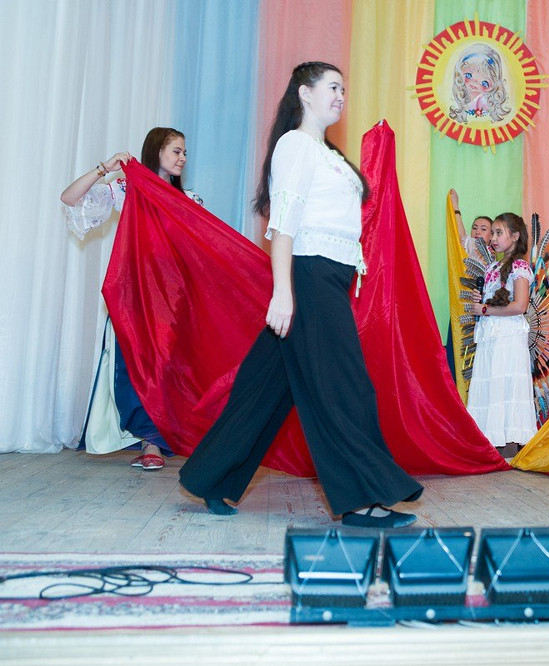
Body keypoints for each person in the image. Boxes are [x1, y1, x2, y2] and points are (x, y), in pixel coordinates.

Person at [178, 62, 422, 527]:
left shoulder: (327, 154)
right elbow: (284, 224)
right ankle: (361, 501)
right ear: (305, 94)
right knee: (344, 387)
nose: (341, 95)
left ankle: (211, 477)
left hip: (327, 278)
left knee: (265, 389)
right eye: (332, 87)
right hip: (308, 278)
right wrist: (283, 293)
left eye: (344, 88)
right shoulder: (295, 145)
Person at [61, 127, 203, 471]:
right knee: (132, 367)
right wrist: (105, 168)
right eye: (177, 151)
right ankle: (148, 441)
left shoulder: (190, 200)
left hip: (172, 298)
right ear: (157, 151)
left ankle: (155, 443)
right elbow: (70, 198)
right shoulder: (127, 189)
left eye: (184, 152)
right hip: (133, 294)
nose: (183, 158)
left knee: (165, 369)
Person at [466, 212, 537, 458]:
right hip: (491, 335)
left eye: (499, 233)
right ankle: (488, 442)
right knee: (490, 384)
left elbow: (520, 306)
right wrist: (481, 301)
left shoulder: (520, 267)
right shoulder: (492, 267)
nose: (493, 238)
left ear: (515, 236)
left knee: (505, 386)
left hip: (508, 337)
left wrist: (485, 309)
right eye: (493, 233)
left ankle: (509, 443)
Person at [449, 188, 492, 256]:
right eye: (474, 228)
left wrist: (455, 205)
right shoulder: (472, 248)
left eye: (483, 229)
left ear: (492, 236)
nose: (477, 232)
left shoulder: (488, 254)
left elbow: (461, 238)